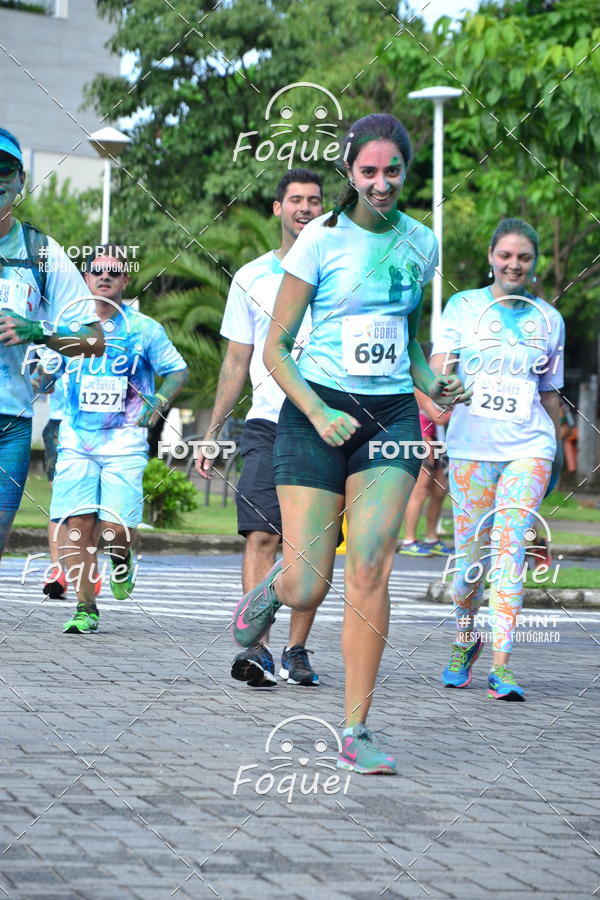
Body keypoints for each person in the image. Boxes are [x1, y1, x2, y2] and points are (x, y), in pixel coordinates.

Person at [232, 114, 470, 773]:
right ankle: (270, 594)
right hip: (314, 414)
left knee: (370, 566)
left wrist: (434, 385)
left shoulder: (422, 243)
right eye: (369, 170)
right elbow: (277, 349)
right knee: (308, 584)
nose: (382, 182)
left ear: (405, 172)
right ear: (349, 173)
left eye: (393, 170)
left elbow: (409, 340)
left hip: (391, 419)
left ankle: (356, 729)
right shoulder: (319, 242)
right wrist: (317, 409)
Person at [196, 169, 324, 688]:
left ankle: (296, 650)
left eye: (314, 201)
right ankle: (257, 650)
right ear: (278, 209)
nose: (305, 208)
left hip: (325, 424)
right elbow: (234, 362)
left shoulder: (339, 270)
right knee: (261, 535)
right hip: (267, 423)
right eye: (295, 200)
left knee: (309, 544)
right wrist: (213, 430)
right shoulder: (250, 276)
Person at [431, 218, 565, 701]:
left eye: (524, 258)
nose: (514, 264)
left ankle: (502, 665)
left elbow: (549, 396)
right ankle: (465, 637)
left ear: (533, 264)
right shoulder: (462, 307)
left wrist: (557, 461)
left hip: (529, 447)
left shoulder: (549, 319)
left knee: (510, 552)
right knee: (470, 560)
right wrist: (443, 392)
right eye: (506, 255)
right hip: (470, 448)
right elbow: (438, 370)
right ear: (491, 256)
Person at [43, 244, 188, 634]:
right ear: (86, 279)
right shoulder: (70, 326)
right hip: (77, 439)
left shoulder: (145, 330)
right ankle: (85, 606)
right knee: (77, 525)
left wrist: (157, 400)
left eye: (113, 272)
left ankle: (121, 558)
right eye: (96, 271)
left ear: (125, 280)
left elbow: (177, 370)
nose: (103, 277)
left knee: (114, 531)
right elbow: (46, 376)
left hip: (124, 441)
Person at [0, 127, 103, 559]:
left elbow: (93, 341)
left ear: (20, 181)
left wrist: (37, 330)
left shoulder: (41, 252)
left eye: (4, 169)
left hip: (12, 423)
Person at [400, 342, 452, 557]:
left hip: (438, 440)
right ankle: (409, 539)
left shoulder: (438, 384)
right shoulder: (417, 383)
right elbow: (437, 417)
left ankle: (432, 537)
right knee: (420, 490)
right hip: (422, 438)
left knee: (440, 491)